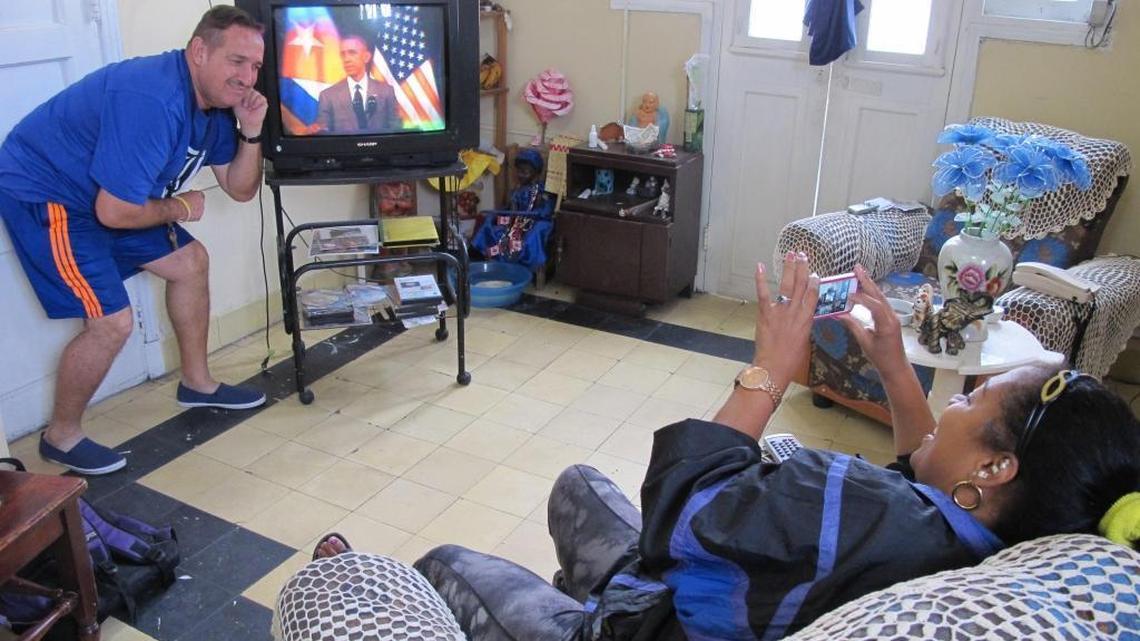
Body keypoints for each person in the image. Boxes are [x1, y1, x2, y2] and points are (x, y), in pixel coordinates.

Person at [311, 253, 1140, 640]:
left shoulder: (851, 505)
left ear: (996, 467)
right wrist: (891, 363)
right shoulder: (969, 533)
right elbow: (934, 471)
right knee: (576, 481)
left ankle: (565, 614)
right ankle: (578, 592)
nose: (952, 404)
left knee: (448, 558)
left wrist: (767, 372)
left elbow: (688, 509)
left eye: (974, 397)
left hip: (656, 620)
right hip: (708, 592)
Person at [0, 6, 271, 475]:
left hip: (111, 197)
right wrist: (180, 207)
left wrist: (251, 133)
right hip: (49, 194)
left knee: (191, 262)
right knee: (113, 323)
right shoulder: (154, 98)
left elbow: (241, 189)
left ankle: (198, 383)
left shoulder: (216, 106)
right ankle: (60, 436)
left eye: (255, 66)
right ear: (199, 50)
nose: (247, 78)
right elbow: (113, 211)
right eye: (236, 61)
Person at [470, 148, 554, 271]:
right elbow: (509, 209)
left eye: (526, 172)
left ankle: (524, 266)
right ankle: (479, 253)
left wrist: (538, 213)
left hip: (532, 221)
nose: (521, 175)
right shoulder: (517, 190)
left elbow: (547, 210)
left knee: (531, 234)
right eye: (519, 171)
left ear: (536, 173)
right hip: (514, 219)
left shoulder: (542, 191)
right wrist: (498, 215)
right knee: (489, 220)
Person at [310, 34, 400, 134]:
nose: (346, 59)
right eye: (343, 54)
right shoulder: (327, 96)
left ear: (366, 57)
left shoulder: (386, 91)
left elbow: (396, 129)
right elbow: (323, 131)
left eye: (352, 53)